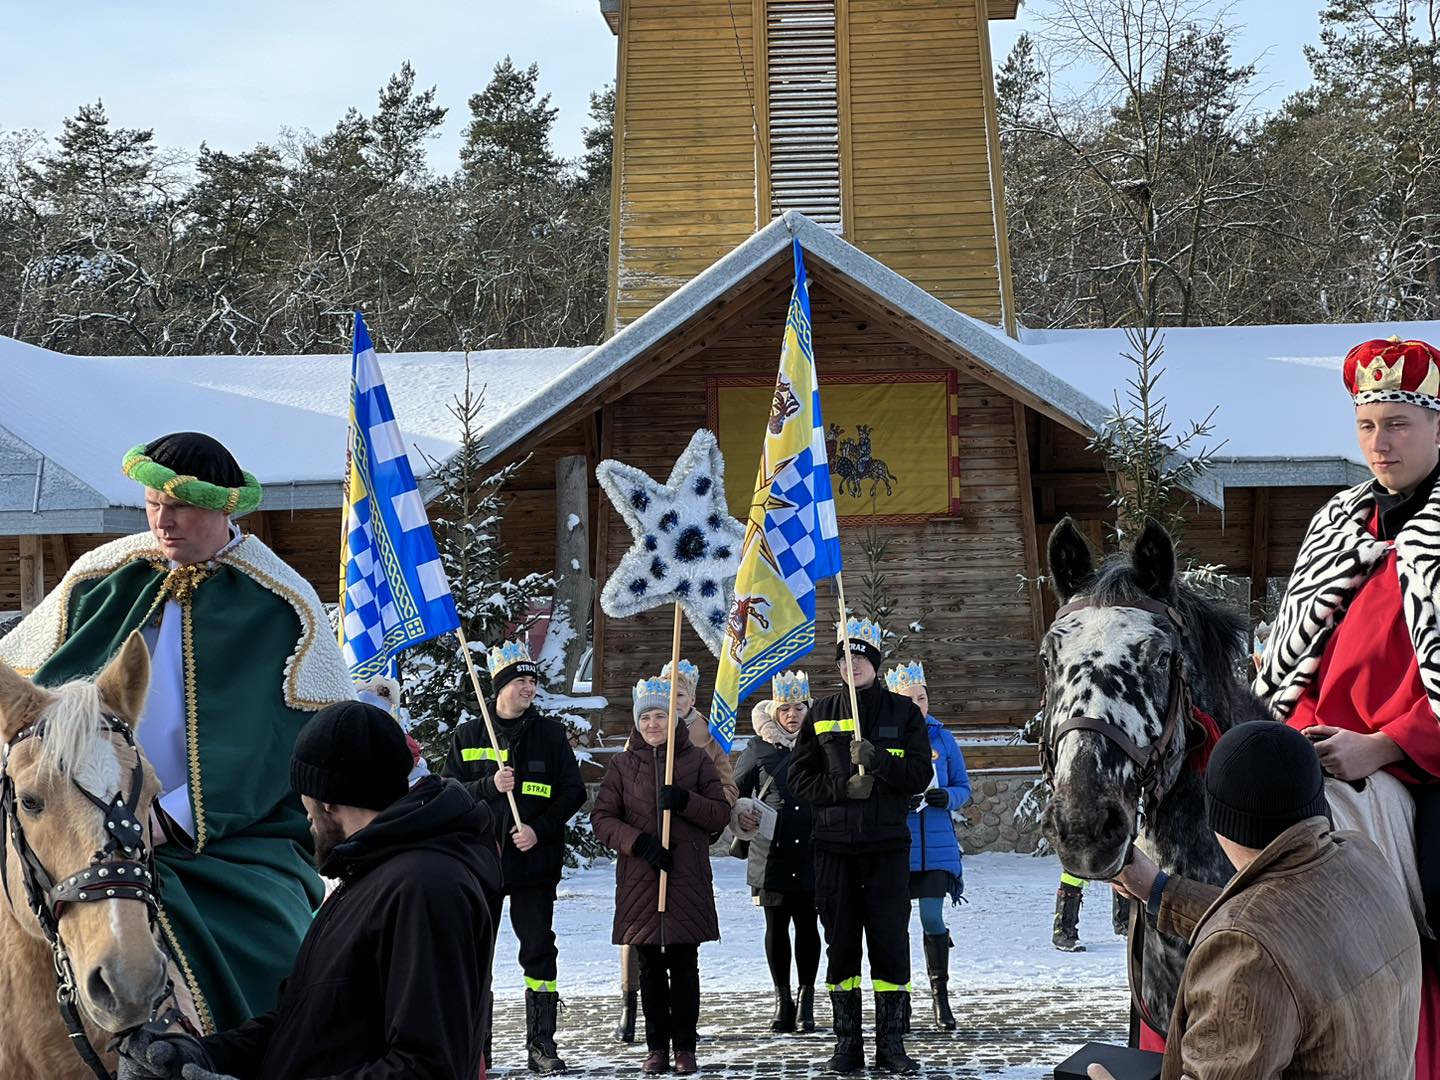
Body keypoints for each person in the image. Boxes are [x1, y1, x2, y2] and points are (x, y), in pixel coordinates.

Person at [0, 432, 355, 1033]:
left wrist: (174, 816)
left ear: (224, 508)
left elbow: (282, 745)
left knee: (276, 947)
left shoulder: (283, 606)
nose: (163, 521)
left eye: (182, 506)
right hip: (79, 819)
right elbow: (32, 682)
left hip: (231, 843)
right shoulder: (103, 578)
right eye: (152, 503)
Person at [117, 700, 500, 1080]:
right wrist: (199, 1057)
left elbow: (428, 1068)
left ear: (329, 802)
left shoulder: (426, 888)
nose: (307, 820)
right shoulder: (370, 876)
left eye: (306, 804)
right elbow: (301, 1022)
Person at [1254, 337, 1440, 1069]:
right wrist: (1294, 737)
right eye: (1367, 425)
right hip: (1317, 754)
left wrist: (1386, 745)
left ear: (1437, 426)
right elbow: (1295, 661)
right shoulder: (1336, 521)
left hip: (1416, 759)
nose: (1380, 442)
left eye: (1398, 423)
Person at [1089, 721, 1420, 1080]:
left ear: (1219, 819)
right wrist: (1159, 889)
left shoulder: (1248, 954)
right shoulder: (1362, 859)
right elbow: (1285, 932)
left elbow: (1257, 943)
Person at [789, 619, 932, 1075]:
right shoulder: (823, 711)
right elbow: (798, 777)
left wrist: (881, 763)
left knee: (890, 941)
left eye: (861, 658)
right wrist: (838, 786)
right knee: (842, 944)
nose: (853, 666)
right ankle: (846, 1044)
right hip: (833, 847)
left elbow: (918, 774)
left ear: (875, 663)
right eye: (845, 660)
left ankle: (892, 1044)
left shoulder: (902, 713)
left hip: (887, 845)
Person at [442, 639, 586, 1075]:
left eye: (532, 682)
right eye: (521, 681)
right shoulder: (469, 735)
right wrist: (488, 786)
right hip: (479, 866)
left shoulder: (549, 734)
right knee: (475, 955)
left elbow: (573, 792)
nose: (529, 689)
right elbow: (447, 793)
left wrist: (537, 831)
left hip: (532, 866)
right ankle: (476, 1049)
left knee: (538, 950)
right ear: (501, 686)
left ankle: (542, 1044)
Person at [592, 678, 731, 1076]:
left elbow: (719, 814)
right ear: (637, 722)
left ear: (675, 720)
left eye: (661, 715)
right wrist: (639, 843)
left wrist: (686, 802)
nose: (653, 723)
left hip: (685, 877)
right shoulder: (621, 765)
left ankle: (685, 1046)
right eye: (646, 717)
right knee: (650, 967)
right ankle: (656, 1047)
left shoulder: (696, 760)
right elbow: (602, 819)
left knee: (685, 965)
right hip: (641, 879)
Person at [886, 661, 971, 1032]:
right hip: (897, 845)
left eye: (922, 697)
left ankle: (941, 998)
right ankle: (900, 999)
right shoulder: (886, 735)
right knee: (895, 924)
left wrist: (946, 797)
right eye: (909, 699)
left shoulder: (944, 738)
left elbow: (964, 787)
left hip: (936, 845)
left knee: (932, 918)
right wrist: (894, 800)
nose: (918, 704)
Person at [733, 670, 820, 1035]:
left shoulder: (821, 743)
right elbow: (734, 792)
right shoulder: (758, 748)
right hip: (771, 849)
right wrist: (742, 813)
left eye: (799, 708)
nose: (792, 715)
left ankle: (807, 999)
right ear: (775, 711)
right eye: (786, 708)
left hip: (813, 847)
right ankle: (782, 999)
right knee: (776, 926)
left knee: (808, 925)